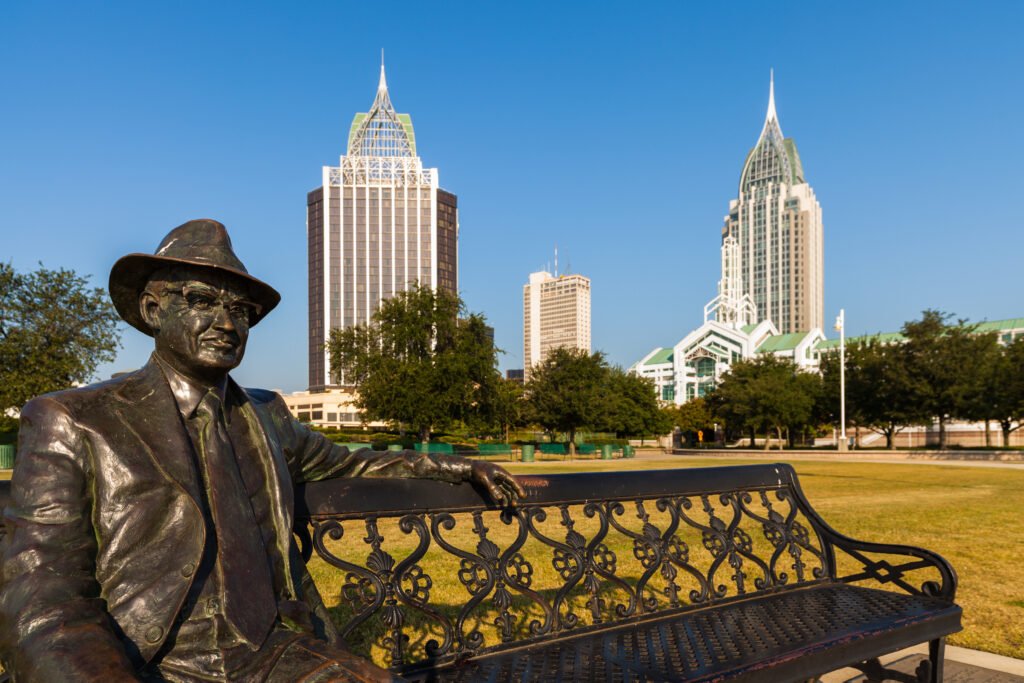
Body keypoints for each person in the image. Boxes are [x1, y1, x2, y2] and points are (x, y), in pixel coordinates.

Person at [0, 219, 524, 682]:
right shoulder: (74, 418)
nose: (227, 323)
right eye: (203, 301)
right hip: (149, 660)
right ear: (153, 309)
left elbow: (357, 461)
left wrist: (458, 463)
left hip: (279, 652)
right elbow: (43, 595)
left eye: (241, 310)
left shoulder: (266, 415)